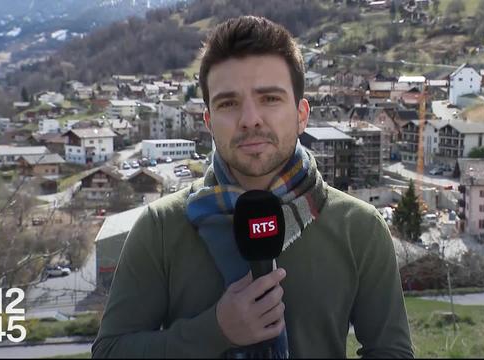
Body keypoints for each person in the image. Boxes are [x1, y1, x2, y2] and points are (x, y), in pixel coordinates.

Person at [92, 16, 413, 358]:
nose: (250, 119)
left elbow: (390, 351)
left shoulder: (358, 228)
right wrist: (215, 331)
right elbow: (110, 351)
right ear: (209, 120)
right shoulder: (160, 228)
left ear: (301, 114)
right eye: (228, 103)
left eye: (270, 98)